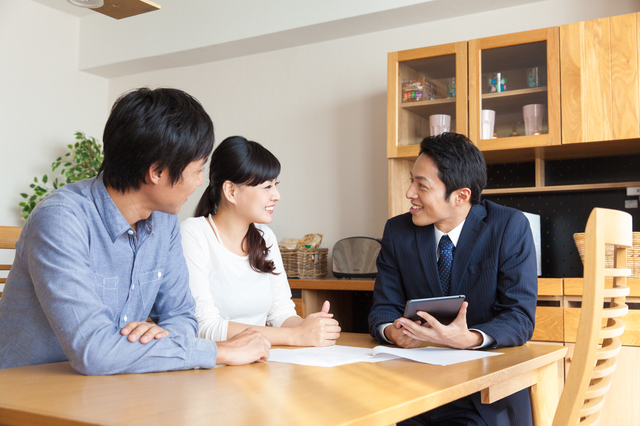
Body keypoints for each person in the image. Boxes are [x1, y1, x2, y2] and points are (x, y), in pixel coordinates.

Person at [0, 88, 270, 375]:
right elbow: (94, 352)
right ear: (157, 172)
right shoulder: (60, 221)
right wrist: (221, 351)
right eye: (197, 170)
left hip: (113, 387)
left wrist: (152, 341)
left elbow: (180, 317)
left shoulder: (164, 221)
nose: (201, 181)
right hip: (27, 392)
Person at [368, 132, 538, 426]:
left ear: (461, 196)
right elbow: (383, 309)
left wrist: (468, 339)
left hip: (482, 391)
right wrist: (391, 331)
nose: (409, 193)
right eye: (412, 181)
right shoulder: (398, 232)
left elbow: (519, 316)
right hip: (411, 387)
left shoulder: (508, 226)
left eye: (422, 186)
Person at [180, 136, 341, 346]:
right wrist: (296, 336)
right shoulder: (193, 234)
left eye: (276, 185)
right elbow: (204, 327)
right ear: (230, 191)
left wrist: (308, 327)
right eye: (267, 186)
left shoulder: (265, 237)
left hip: (258, 361)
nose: (277, 195)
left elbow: (281, 313)